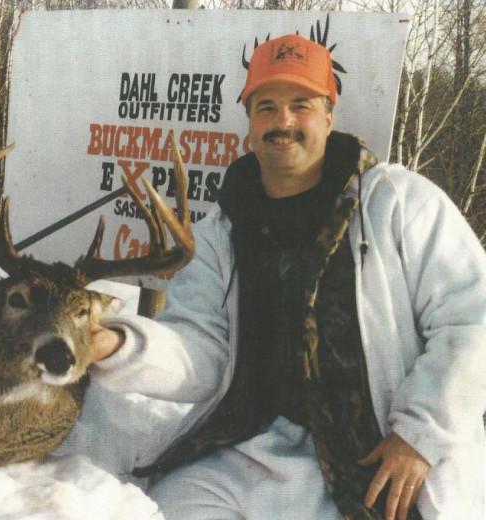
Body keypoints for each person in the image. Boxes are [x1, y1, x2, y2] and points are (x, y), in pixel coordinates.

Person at [89, 33, 486, 520]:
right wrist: (115, 345)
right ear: (249, 122)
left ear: (329, 115)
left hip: (380, 456)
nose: (283, 122)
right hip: (256, 451)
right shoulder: (223, 231)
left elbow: (473, 318)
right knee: (167, 508)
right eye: (266, 107)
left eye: (301, 105)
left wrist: (421, 434)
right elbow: (202, 348)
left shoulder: (399, 203)